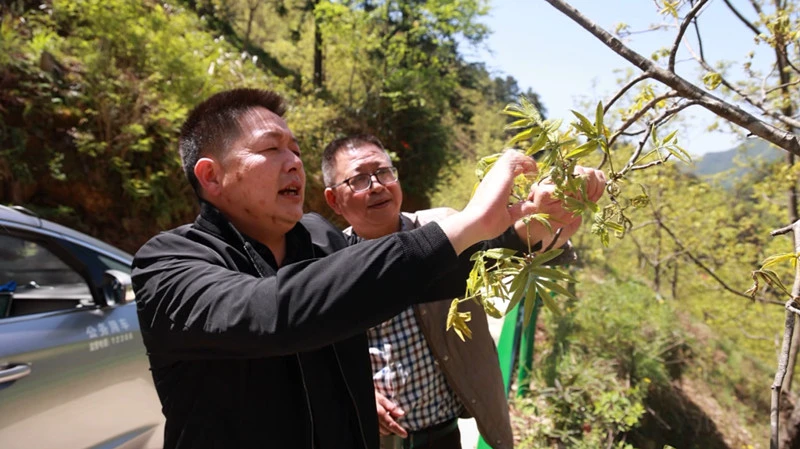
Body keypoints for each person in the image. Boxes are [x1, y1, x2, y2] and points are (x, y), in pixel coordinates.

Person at [132, 88, 557, 449]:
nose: (294, 161)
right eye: (271, 148)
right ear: (211, 176)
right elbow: (274, 313)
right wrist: (467, 222)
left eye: (296, 150)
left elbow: (425, 278)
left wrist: (527, 231)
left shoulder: (320, 240)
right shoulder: (168, 264)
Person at [321, 135, 606, 449]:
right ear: (334, 200)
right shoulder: (328, 264)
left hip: (443, 434)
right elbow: (311, 353)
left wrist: (554, 208)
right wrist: (356, 392)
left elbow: (509, 245)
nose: (377, 186)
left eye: (384, 172)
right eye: (359, 179)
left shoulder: (444, 227)